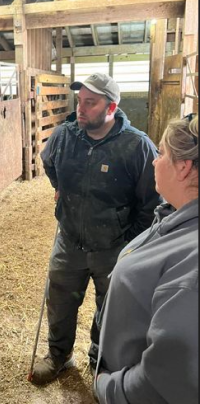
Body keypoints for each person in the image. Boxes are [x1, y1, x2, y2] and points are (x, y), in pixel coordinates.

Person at [31, 73, 161, 385]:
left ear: (111, 106)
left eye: (91, 103)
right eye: (80, 101)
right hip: (70, 239)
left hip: (114, 247)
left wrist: (131, 242)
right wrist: (61, 188)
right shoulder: (65, 136)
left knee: (111, 308)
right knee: (60, 301)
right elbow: (48, 162)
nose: (81, 108)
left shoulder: (136, 146)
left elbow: (152, 200)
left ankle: (99, 359)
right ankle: (59, 355)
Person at [95, 114, 198, 404]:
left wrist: (108, 387)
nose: (155, 160)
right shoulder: (173, 215)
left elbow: (164, 382)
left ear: (183, 167)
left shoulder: (192, 265)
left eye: (162, 153)